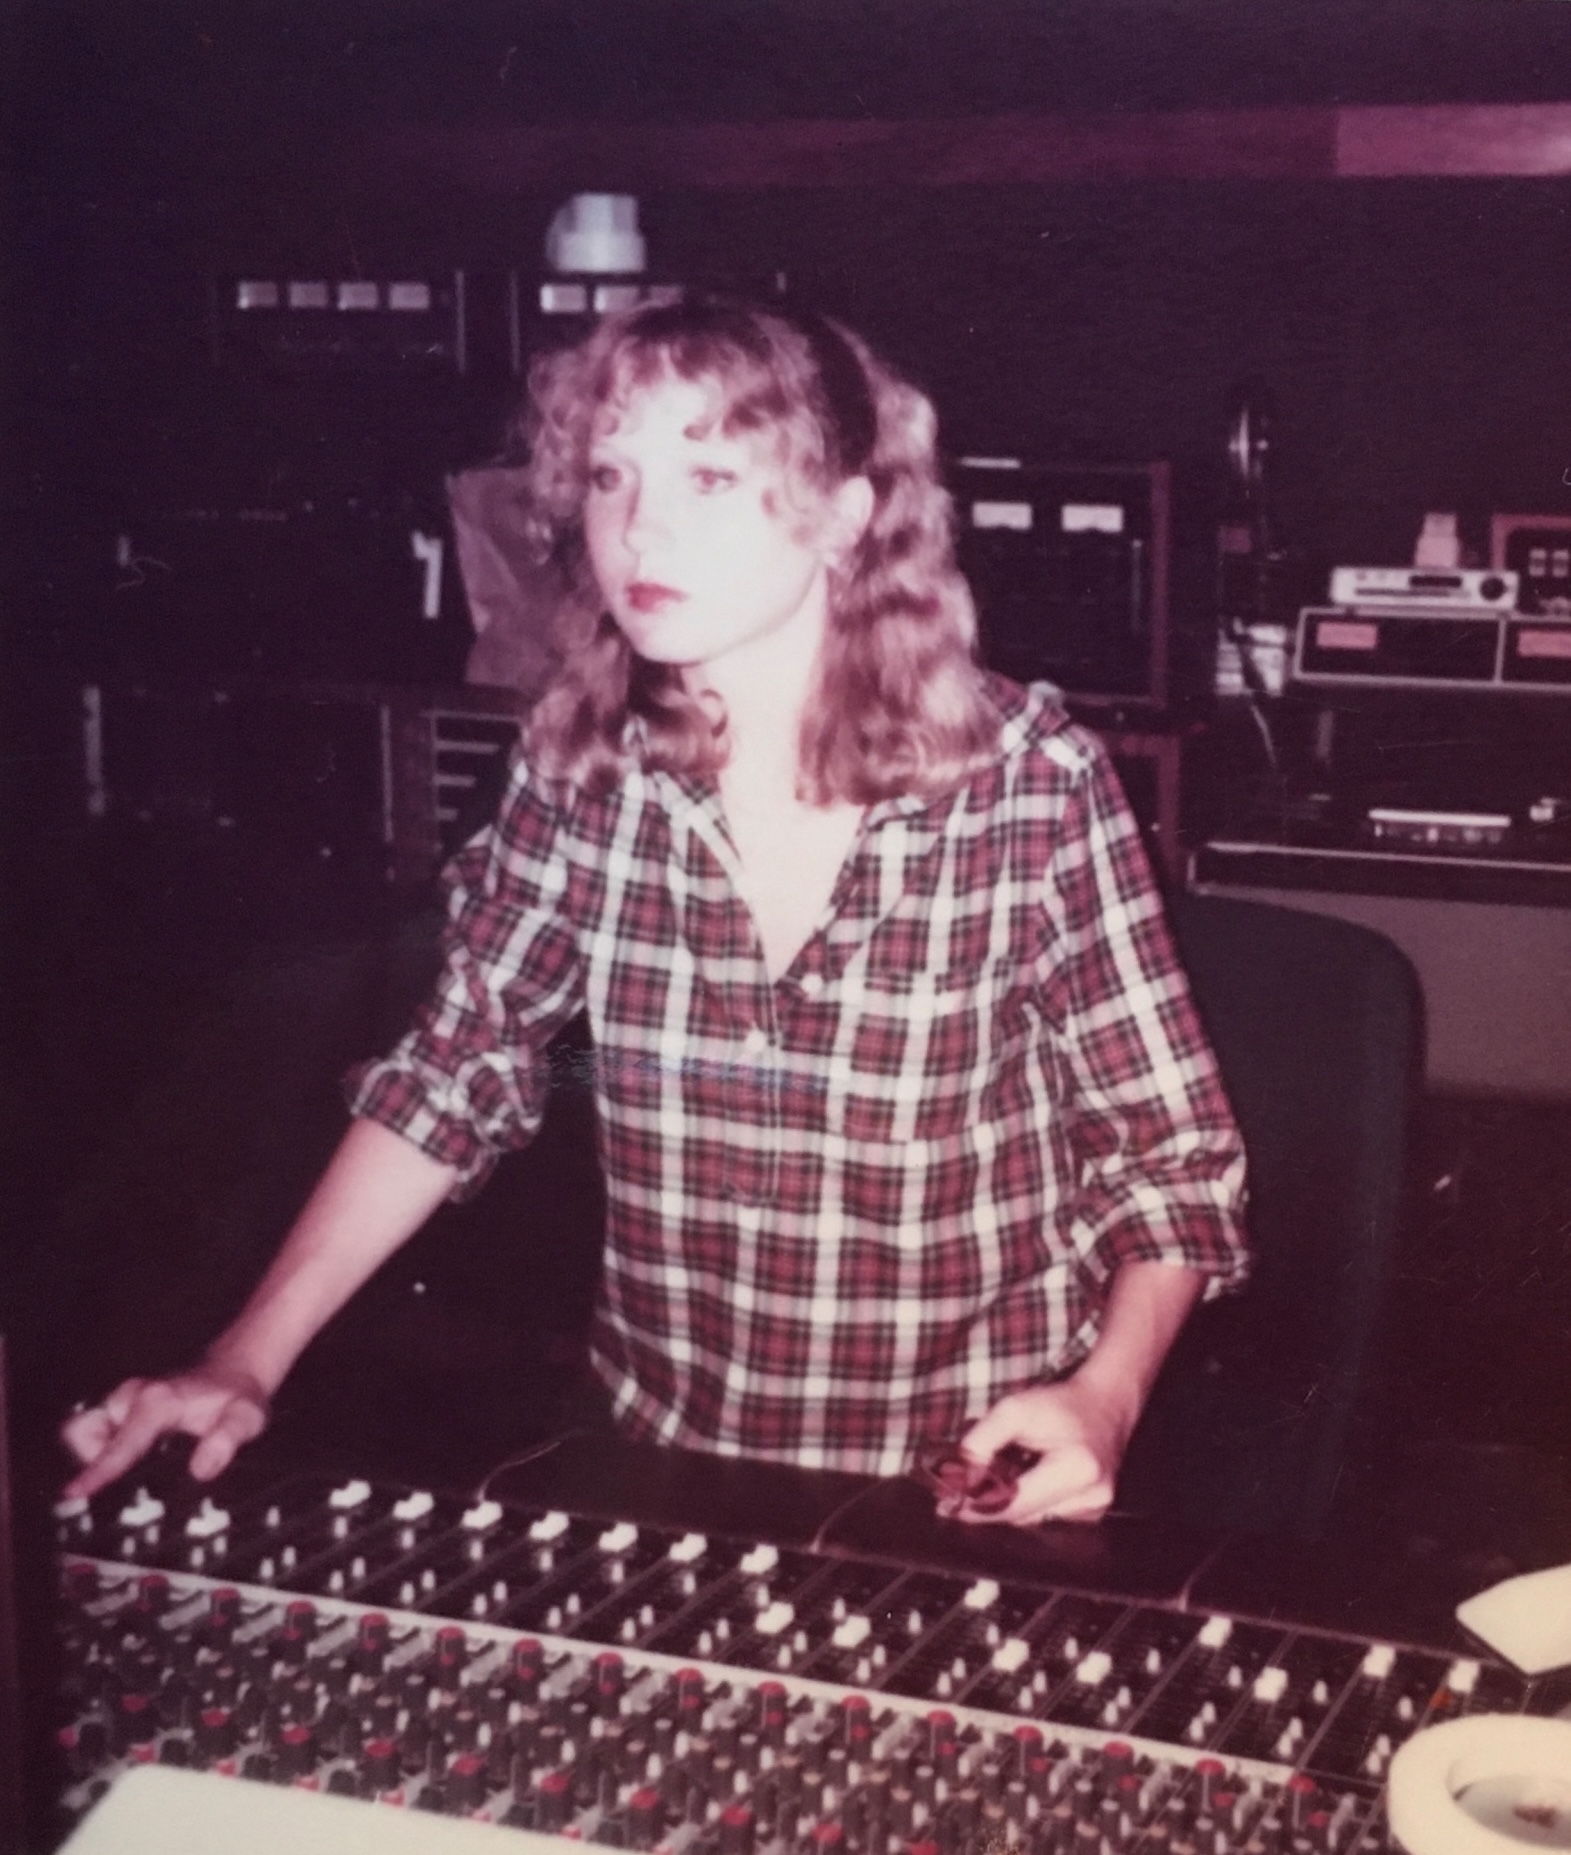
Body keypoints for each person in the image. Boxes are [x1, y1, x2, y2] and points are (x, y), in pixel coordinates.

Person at [63, 294, 1249, 1526]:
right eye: (613, 478)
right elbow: (455, 1069)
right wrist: (246, 1354)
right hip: (661, 1460)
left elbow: (1169, 1160)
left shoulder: (1028, 785)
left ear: (844, 516)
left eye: (710, 476)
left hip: (966, 1475)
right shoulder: (584, 767)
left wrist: (1102, 1397)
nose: (641, 529)